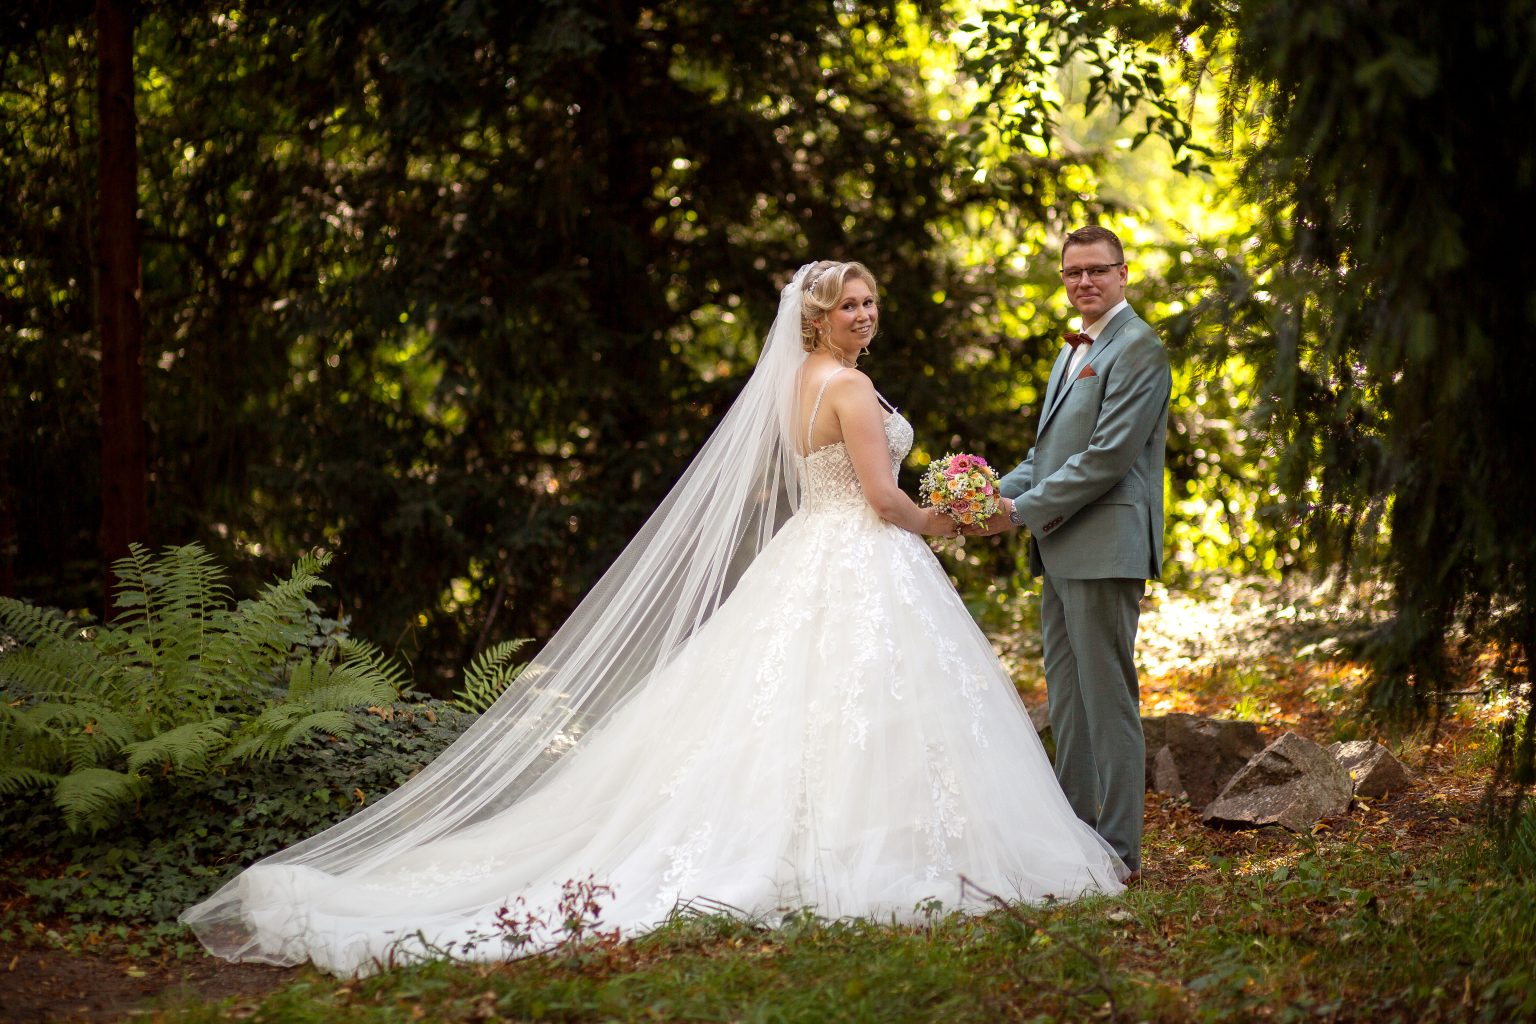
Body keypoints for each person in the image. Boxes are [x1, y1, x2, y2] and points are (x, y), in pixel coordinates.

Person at [181, 261, 1126, 977]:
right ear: (817, 316)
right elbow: (881, 499)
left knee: (804, 710)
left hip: (813, 554)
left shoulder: (797, 384)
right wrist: (949, 520)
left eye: (872, 301)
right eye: (849, 305)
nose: (866, 314)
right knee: (866, 706)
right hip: (862, 556)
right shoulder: (843, 386)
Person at [967, 227, 1171, 879]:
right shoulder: (1075, 348)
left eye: (1097, 270)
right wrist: (983, 499)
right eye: (1073, 272)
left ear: (1123, 273)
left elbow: (1107, 458)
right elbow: (1046, 456)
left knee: (1107, 697)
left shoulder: (1138, 347)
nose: (1084, 281)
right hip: (1060, 547)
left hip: (1105, 545)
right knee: (1069, 698)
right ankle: (1077, 838)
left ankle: (1120, 851)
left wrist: (1020, 511)